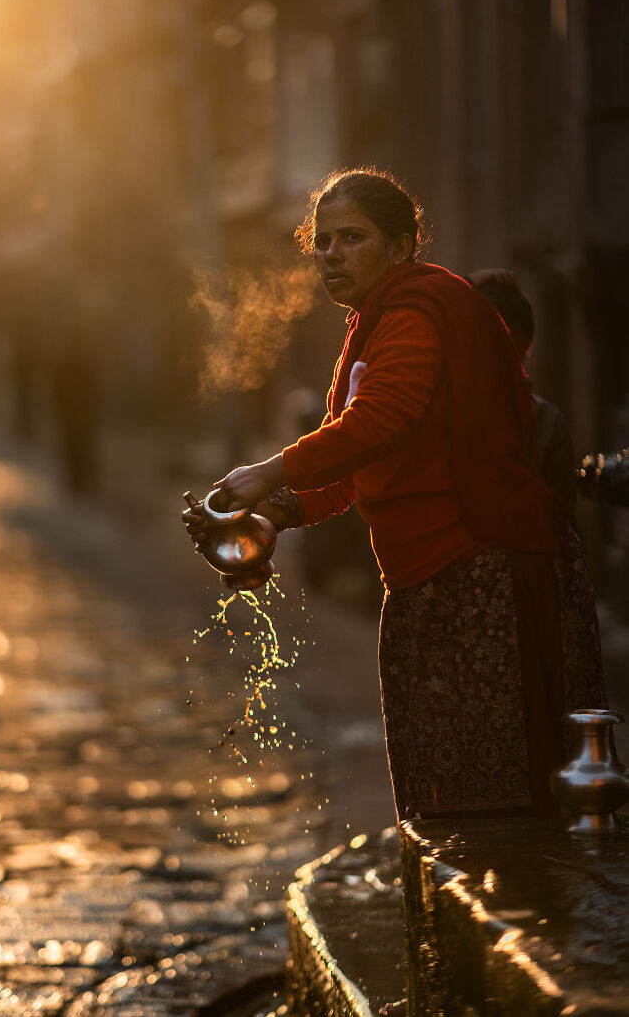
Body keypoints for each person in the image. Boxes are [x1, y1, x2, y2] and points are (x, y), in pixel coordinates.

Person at [183, 167, 607, 823]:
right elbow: (355, 469)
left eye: (352, 238)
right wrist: (267, 520)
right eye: (322, 241)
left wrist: (268, 472)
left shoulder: (416, 313)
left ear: (401, 246)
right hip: (425, 583)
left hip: (481, 578)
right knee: (439, 798)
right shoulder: (371, 329)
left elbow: (378, 423)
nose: (332, 254)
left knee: (492, 811)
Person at [465, 268, 577, 519]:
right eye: (492, 346)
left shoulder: (548, 423)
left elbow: (561, 517)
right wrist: (463, 284)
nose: (502, 360)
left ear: (527, 347)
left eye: (512, 347)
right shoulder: (447, 411)